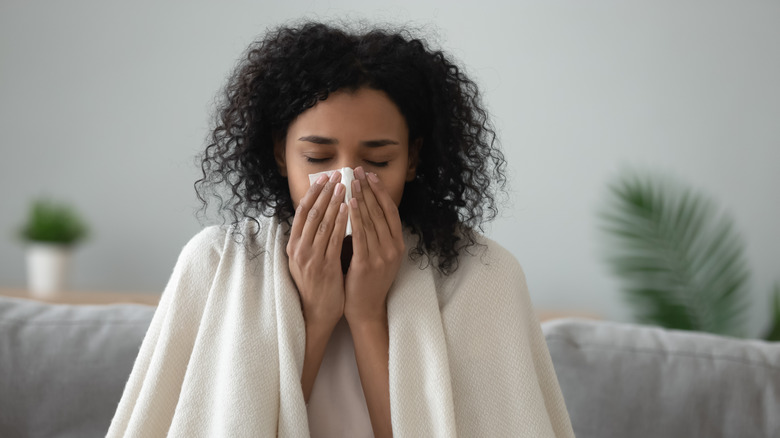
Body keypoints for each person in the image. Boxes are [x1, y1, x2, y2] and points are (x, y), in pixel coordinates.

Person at [108, 21, 574, 438]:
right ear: (278, 154)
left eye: (377, 160)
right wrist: (314, 316)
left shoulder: (482, 275)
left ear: (412, 159)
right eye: (317, 159)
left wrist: (367, 316)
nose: (347, 183)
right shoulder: (215, 264)